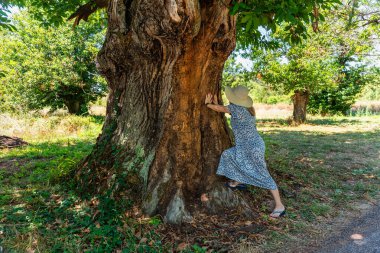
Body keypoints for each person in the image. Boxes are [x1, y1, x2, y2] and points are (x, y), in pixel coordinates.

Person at [205, 85, 286, 218]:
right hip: (250, 145)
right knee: (228, 155)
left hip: (252, 148)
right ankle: (238, 181)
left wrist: (208, 104)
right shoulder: (248, 109)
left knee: (263, 175)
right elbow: (224, 110)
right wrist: (215, 103)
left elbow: (220, 109)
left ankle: (279, 206)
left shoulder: (235, 108)